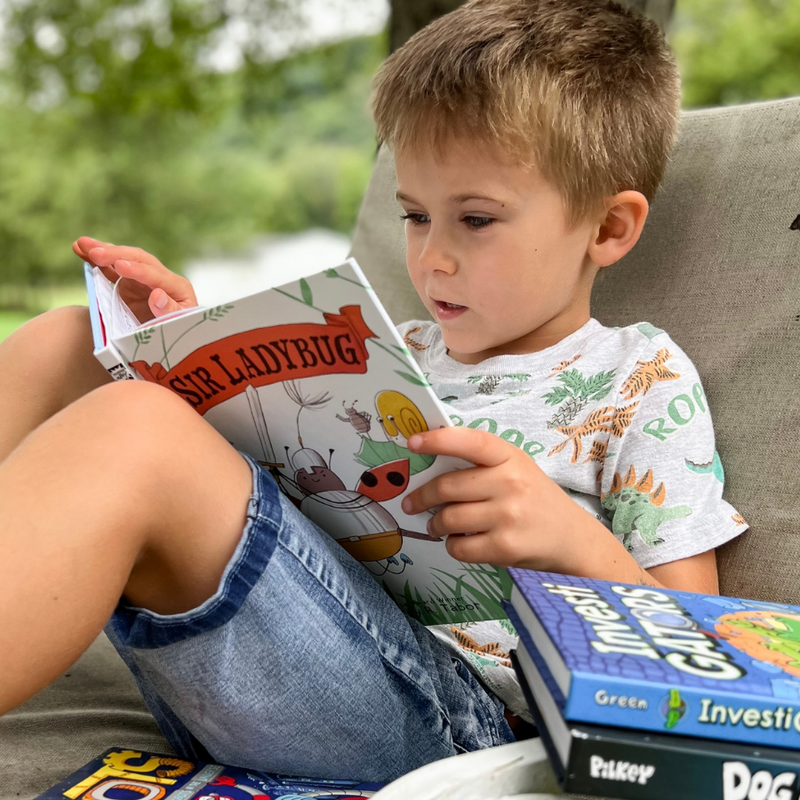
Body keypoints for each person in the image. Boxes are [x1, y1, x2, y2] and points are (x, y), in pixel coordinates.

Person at [0, 0, 746, 784]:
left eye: (477, 219)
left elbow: (698, 660)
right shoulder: (395, 347)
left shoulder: (641, 380)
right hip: (292, 639)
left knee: (135, 430)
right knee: (67, 342)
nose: (433, 259)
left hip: (460, 724)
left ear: (608, 229)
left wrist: (572, 539)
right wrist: (185, 350)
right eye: (416, 216)